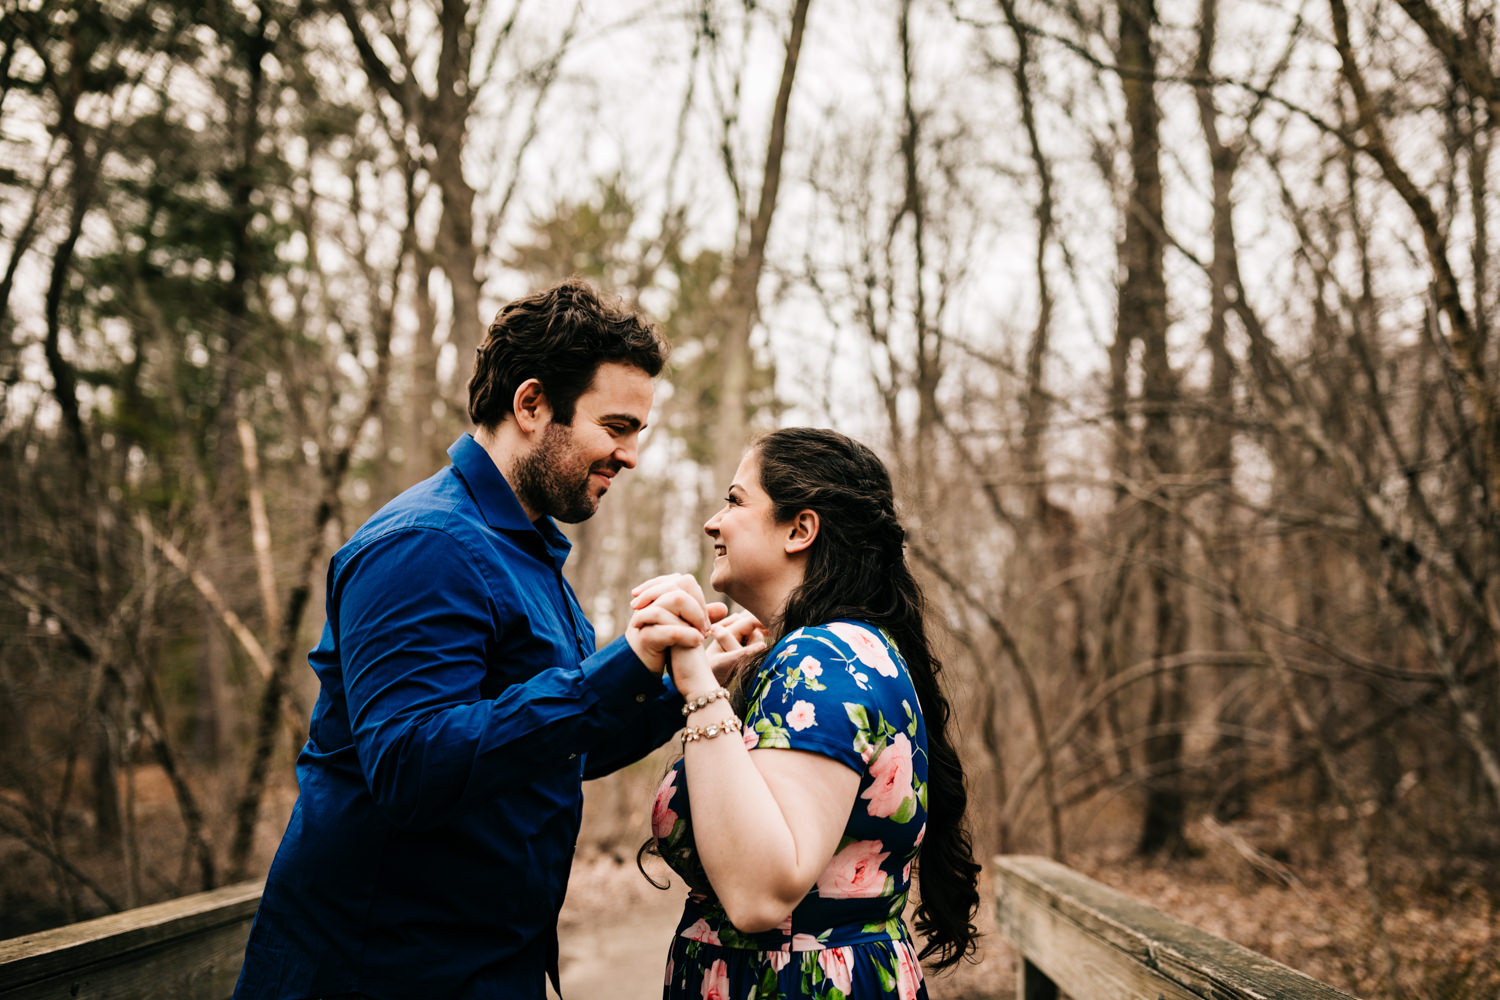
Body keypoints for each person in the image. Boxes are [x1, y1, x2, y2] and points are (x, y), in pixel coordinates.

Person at [233, 278, 723, 1000]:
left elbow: (555, 750)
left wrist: (677, 686)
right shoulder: (425, 545)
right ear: (531, 405)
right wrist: (621, 662)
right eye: (615, 426)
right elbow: (409, 764)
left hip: (483, 970)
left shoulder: (527, 553)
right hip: (375, 975)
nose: (630, 456)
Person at [636, 427, 981, 999]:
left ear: (800, 529)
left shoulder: (820, 659)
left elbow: (758, 895)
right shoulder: (833, 653)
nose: (713, 522)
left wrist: (696, 681)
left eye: (735, 499)